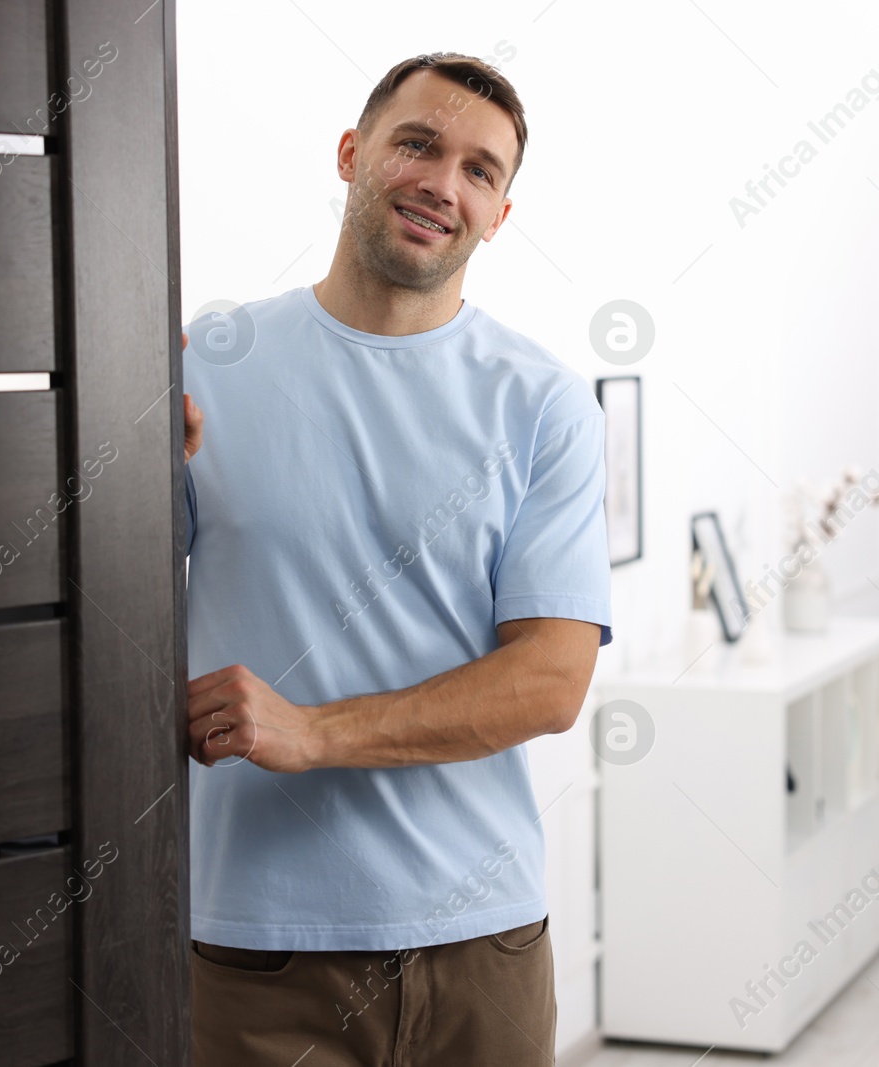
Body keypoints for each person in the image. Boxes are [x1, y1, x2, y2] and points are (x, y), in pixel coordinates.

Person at [178, 51, 613, 1066]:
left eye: (479, 169)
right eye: (416, 144)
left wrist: (312, 732)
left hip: (483, 947)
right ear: (351, 154)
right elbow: (103, 596)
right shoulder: (208, 359)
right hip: (253, 945)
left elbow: (550, 682)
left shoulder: (540, 403)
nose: (440, 183)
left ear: (499, 214)